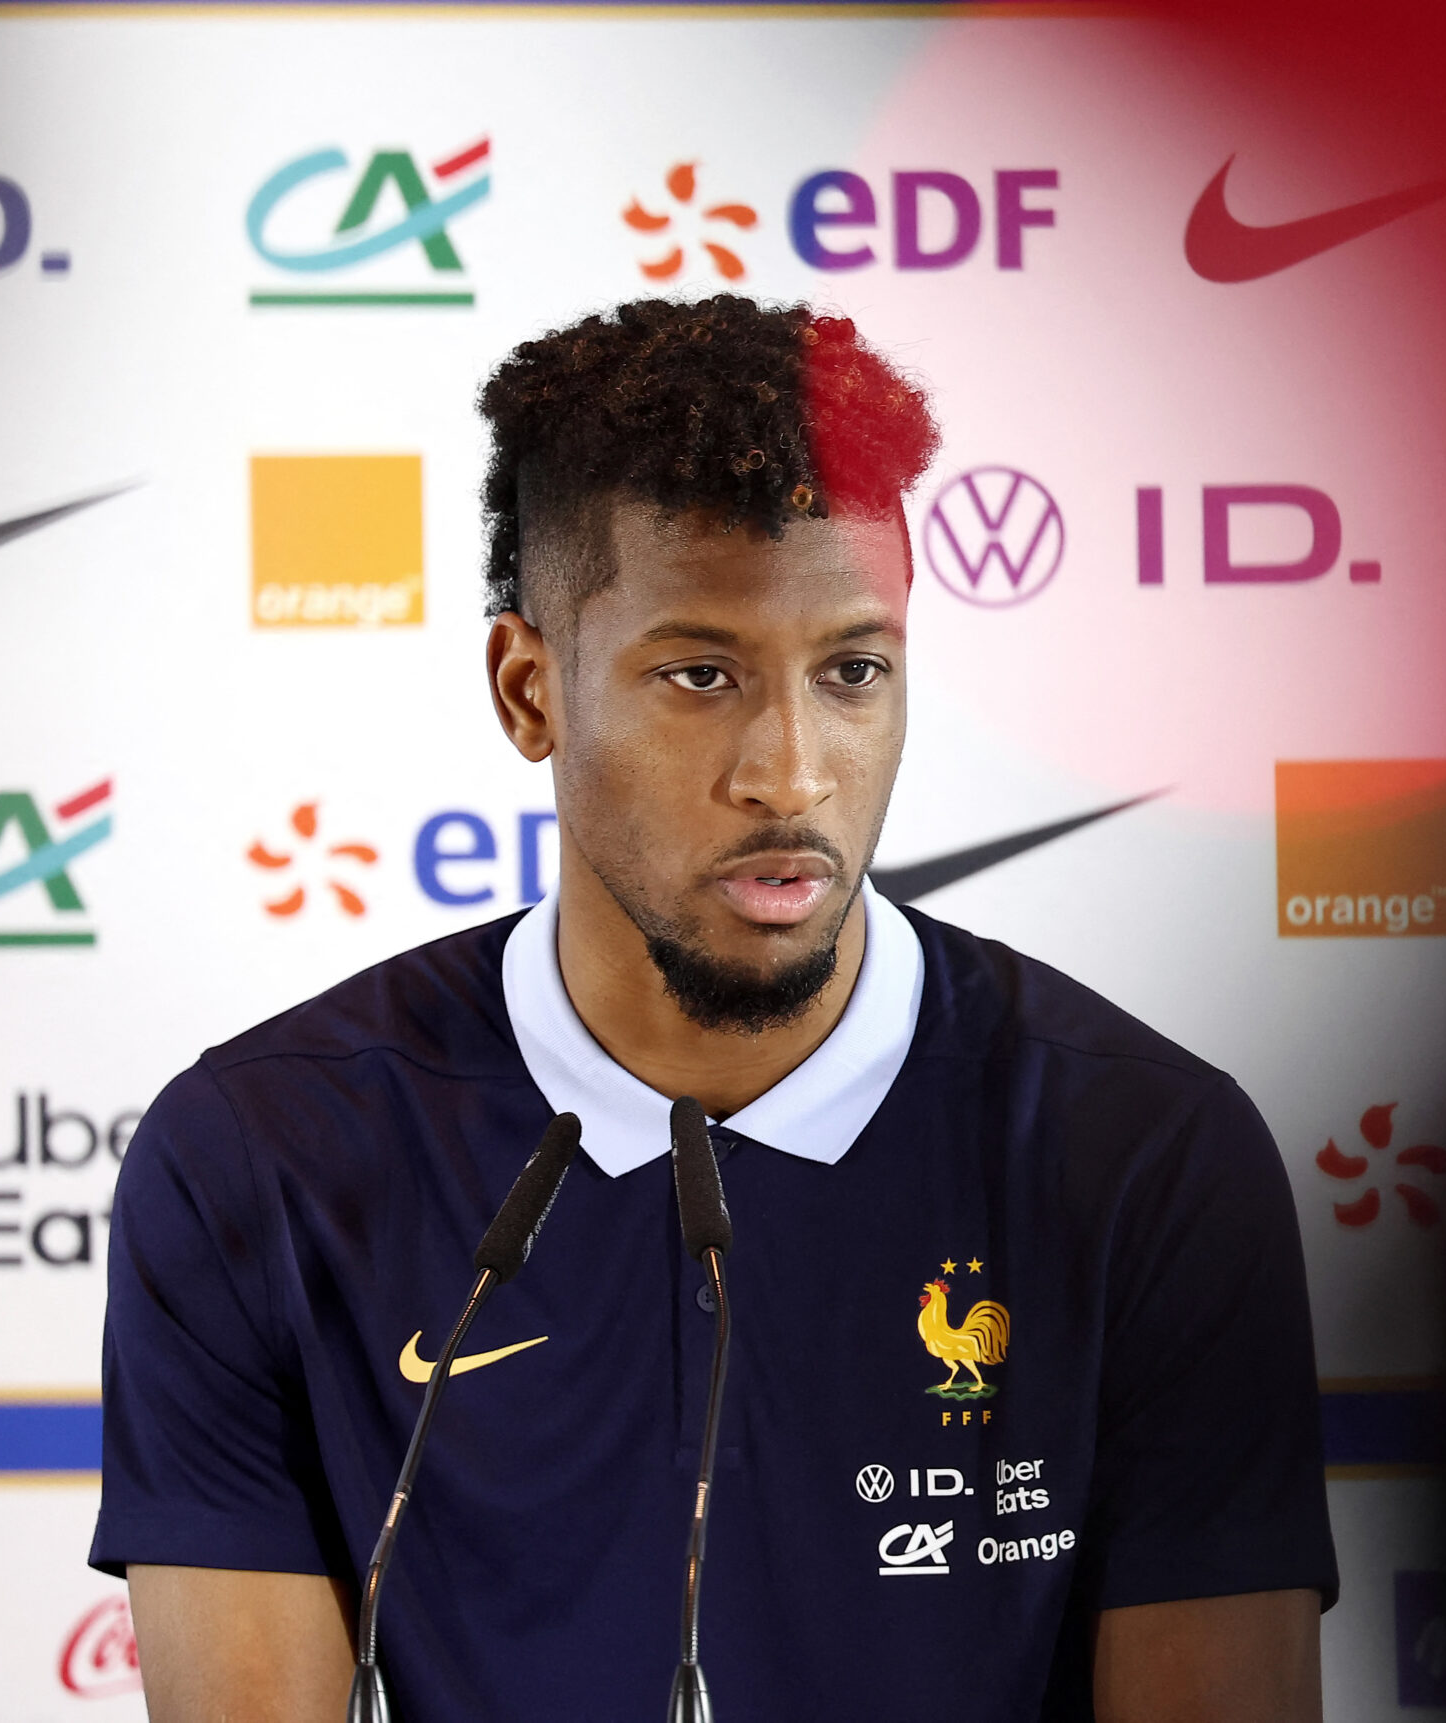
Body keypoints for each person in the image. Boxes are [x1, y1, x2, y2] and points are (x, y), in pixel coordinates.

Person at [91, 297, 1335, 1722]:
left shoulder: (1147, 1156)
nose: (791, 773)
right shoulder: (260, 1158)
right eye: (702, 675)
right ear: (528, 689)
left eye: (853, 671)